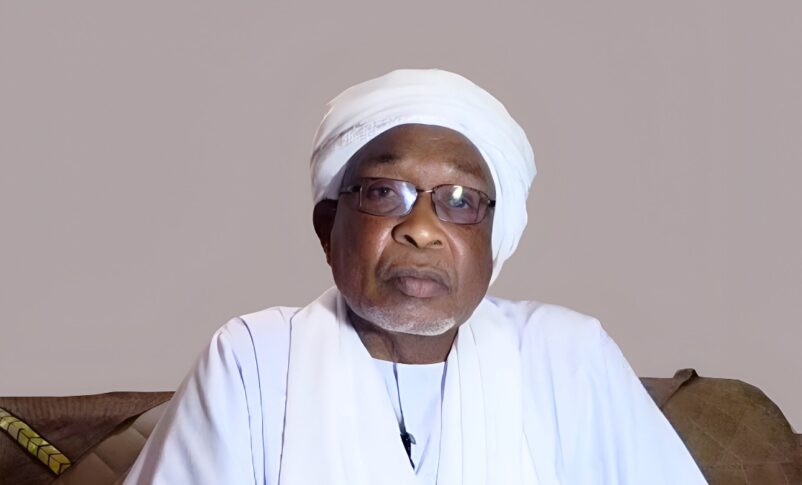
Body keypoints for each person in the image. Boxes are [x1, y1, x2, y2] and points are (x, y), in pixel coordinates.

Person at [123, 69, 707, 485]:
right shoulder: (253, 359)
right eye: (385, 193)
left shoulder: (567, 354)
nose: (422, 230)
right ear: (329, 229)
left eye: (460, 201)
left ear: (493, 240)